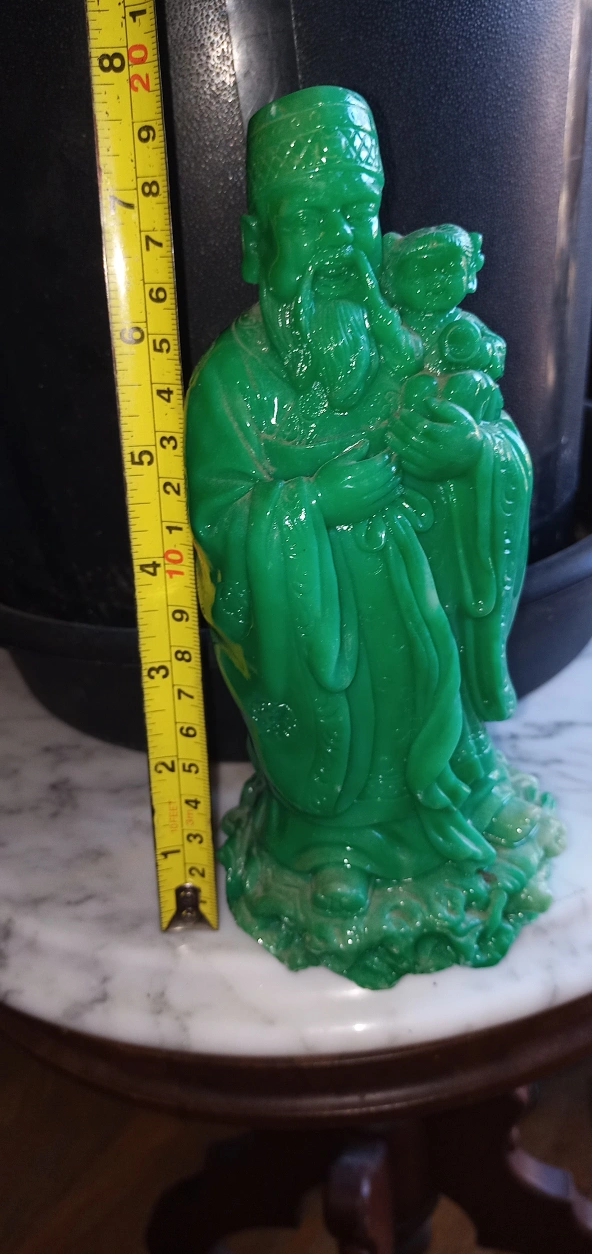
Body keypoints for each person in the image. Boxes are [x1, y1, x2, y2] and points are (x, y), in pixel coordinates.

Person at [185, 86, 563, 988]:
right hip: (327, 641)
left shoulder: (418, 337)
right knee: (349, 735)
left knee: (434, 700)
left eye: (355, 214)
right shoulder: (231, 382)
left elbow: (500, 447)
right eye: (309, 220)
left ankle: (460, 799)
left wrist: (470, 457)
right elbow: (218, 520)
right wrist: (315, 504)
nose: (338, 244)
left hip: (424, 608)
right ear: (258, 243)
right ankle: (332, 846)